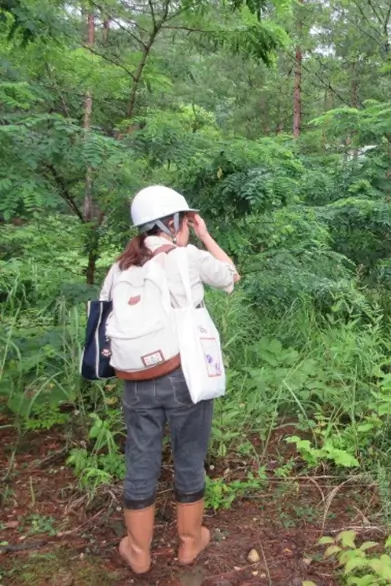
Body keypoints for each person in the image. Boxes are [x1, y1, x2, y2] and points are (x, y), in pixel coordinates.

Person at [100, 185, 240, 574]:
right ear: (174, 222)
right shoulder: (188, 257)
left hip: (135, 379)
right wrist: (205, 236)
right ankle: (189, 544)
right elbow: (231, 276)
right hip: (184, 375)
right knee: (189, 457)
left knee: (140, 460)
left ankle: (139, 552)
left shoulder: (120, 268)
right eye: (185, 221)